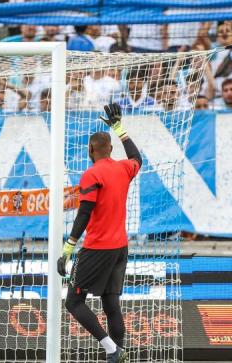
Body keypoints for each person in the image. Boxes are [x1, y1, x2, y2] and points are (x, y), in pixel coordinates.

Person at [57, 103, 142, 363]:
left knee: (73, 301)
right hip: (120, 247)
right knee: (111, 303)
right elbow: (137, 158)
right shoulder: (124, 168)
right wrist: (119, 128)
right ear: (111, 149)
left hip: (97, 248)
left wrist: (68, 249)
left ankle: (111, 349)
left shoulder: (91, 174)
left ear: (90, 150)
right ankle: (118, 355)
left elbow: (84, 213)